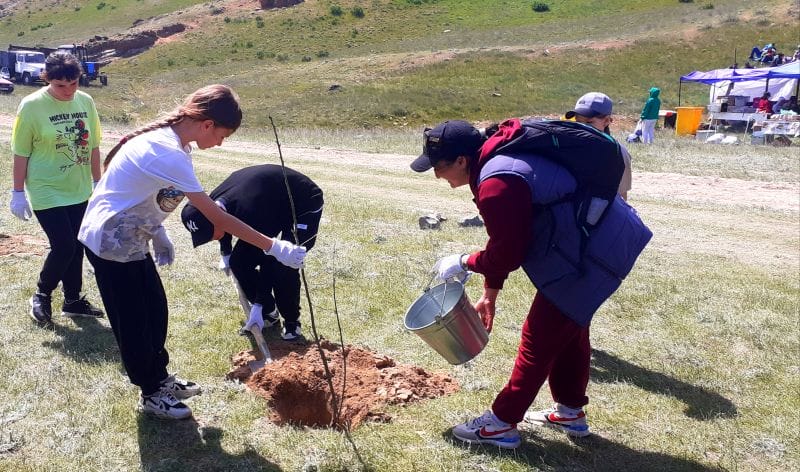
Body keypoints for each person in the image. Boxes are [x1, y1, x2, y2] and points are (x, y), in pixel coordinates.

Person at [410, 120, 650, 449]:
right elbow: (504, 239)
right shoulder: (495, 162)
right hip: (597, 242)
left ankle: (501, 424)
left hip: (595, 252)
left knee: (538, 338)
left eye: (439, 167)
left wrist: (465, 261)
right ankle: (570, 411)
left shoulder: (497, 181)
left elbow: (508, 254)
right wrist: (489, 293)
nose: (437, 176)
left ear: (462, 161)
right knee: (570, 328)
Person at [78, 85, 307, 420]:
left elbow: (142, 191)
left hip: (131, 238)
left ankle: (160, 377)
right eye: (224, 135)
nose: (221, 143)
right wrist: (274, 246)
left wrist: (157, 232)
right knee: (133, 322)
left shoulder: (176, 146)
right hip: (110, 241)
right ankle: (151, 393)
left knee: (155, 312)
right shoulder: (165, 150)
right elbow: (217, 216)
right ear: (207, 124)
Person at [9, 52, 104, 324]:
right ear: (46, 78)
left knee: (77, 245)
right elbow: (21, 153)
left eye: (74, 83)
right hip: (45, 187)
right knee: (63, 246)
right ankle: (41, 294)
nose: (68, 90)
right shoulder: (31, 106)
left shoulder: (86, 101)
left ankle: (73, 300)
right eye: (61, 85)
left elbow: (93, 145)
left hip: (78, 187)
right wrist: (17, 192)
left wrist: (97, 182)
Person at [180, 164, 324, 341]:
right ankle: (270, 314)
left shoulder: (249, 209)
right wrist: (226, 252)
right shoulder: (213, 203)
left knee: (285, 263)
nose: (209, 238)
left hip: (303, 201)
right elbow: (222, 222)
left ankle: (292, 322)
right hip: (271, 202)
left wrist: (258, 302)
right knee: (238, 262)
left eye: (209, 234)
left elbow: (270, 259)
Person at [565, 92, 632, 200]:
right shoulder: (566, 145)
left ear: (607, 121)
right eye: (578, 122)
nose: (581, 127)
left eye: (588, 122)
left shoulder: (618, 153)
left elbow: (621, 198)